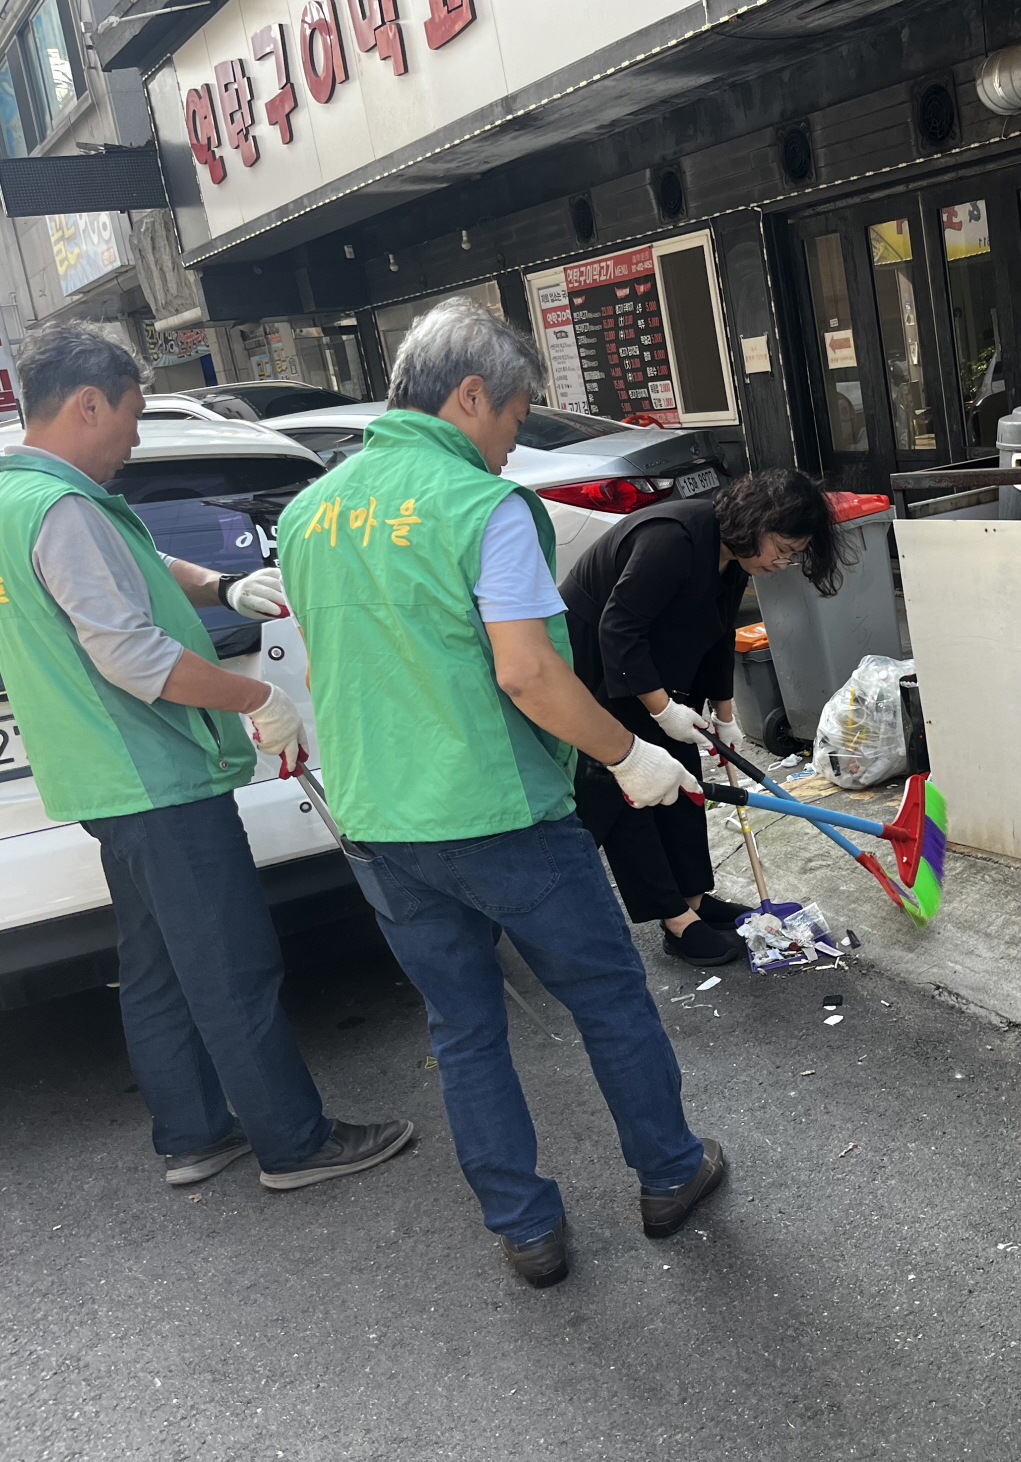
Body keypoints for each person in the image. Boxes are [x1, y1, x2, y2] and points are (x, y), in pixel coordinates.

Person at [277, 299, 726, 1289]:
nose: (513, 440)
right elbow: (526, 673)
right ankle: (668, 1171)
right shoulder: (481, 508)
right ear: (470, 393)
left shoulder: (308, 511)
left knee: (464, 1023)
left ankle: (526, 1229)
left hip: (375, 821)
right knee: (608, 996)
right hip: (497, 816)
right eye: (516, 415)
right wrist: (627, 756)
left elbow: (336, 659)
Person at [0, 325, 412, 1192]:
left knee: (153, 967)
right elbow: (134, 656)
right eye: (133, 415)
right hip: (156, 774)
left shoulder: (19, 498)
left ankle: (190, 1133)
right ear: (88, 403)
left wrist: (224, 586)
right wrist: (259, 697)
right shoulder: (64, 509)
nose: (135, 435)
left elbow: (137, 567)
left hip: (103, 780)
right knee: (232, 964)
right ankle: (293, 1143)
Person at [560, 469, 846, 963]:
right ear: (755, 523)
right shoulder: (672, 539)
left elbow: (716, 637)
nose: (784, 561)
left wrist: (725, 717)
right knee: (633, 785)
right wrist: (663, 710)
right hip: (594, 664)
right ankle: (674, 918)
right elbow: (618, 631)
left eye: (794, 553)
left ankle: (693, 895)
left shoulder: (734, 559)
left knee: (684, 774)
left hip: (651, 660)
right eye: (782, 547)